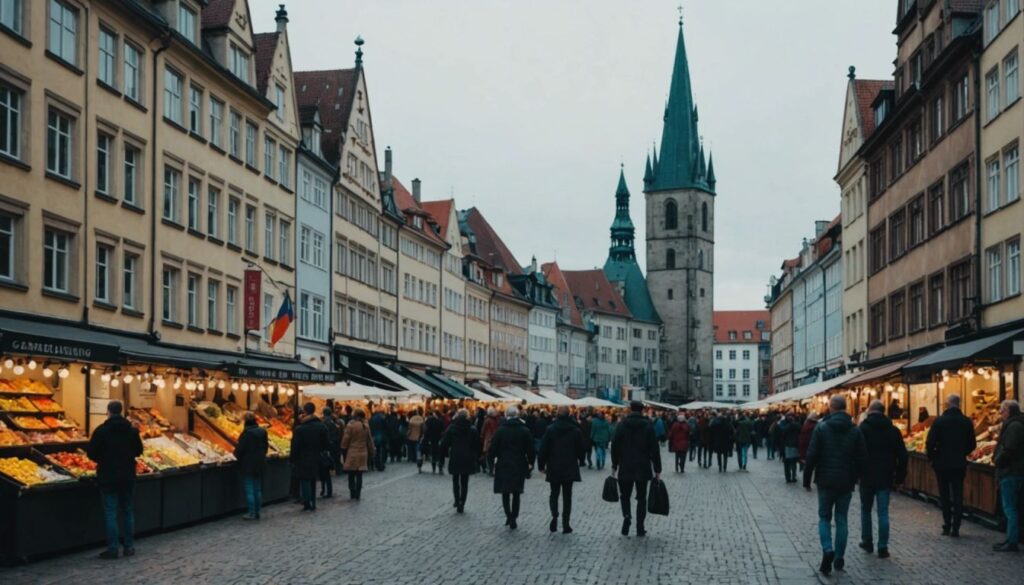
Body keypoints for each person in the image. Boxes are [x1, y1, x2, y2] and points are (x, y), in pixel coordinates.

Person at [803, 395, 867, 576]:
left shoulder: (821, 428)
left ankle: (827, 549)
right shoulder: (855, 430)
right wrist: (855, 476)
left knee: (824, 517)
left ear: (831, 408)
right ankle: (839, 557)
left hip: (825, 480)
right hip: (845, 481)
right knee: (841, 519)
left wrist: (807, 479)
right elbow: (863, 457)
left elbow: (812, 455)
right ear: (845, 408)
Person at [87, 400, 144, 559]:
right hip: (127, 476)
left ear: (108, 412)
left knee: (110, 512)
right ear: (122, 411)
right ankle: (129, 547)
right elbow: (139, 451)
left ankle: (113, 549)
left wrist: (104, 458)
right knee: (127, 511)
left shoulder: (101, 431)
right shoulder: (132, 431)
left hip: (108, 476)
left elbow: (91, 453)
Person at [857, 399, 908, 559]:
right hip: (886, 475)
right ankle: (883, 547)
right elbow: (903, 456)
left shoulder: (863, 429)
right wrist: (900, 477)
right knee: (883, 512)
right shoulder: (893, 430)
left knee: (866, 510)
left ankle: (867, 541)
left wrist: (856, 473)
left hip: (866, 475)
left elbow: (856, 453)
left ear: (870, 411)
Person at [925, 394, 976, 537]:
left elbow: (930, 442)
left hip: (941, 464)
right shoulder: (966, 422)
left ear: (947, 404)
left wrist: (933, 457)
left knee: (945, 495)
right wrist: (961, 453)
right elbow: (972, 444)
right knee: (958, 494)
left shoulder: (939, 421)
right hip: (959, 463)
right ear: (959, 404)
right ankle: (956, 527)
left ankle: (947, 525)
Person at [611, 400, 662, 537]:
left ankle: (627, 516)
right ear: (642, 410)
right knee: (641, 498)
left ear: (630, 409)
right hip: (643, 466)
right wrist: (657, 469)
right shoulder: (648, 426)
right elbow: (654, 449)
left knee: (625, 496)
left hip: (625, 466)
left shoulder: (622, 425)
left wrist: (614, 465)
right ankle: (640, 526)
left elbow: (615, 446)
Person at [538, 405, 585, 533]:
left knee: (554, 493)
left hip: (554, 466)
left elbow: (543, 449)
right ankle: (566, 523)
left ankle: (554, 515)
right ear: (569, 414)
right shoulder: (575, 430)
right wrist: (581, 460)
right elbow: (581, 448)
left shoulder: (550, 429)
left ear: (557, 414)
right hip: (569, 466)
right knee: (567, 496)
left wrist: (541, 465)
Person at [488, 405, 535, 529]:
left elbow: (492, 449)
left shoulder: (500, 430)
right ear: (517, 415)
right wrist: (531, 463)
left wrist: (490, 463)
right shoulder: (524, 430)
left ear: (506, 416)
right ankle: (514, 516)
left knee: (505, 492)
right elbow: (530, 450)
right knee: (516, 492)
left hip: (503, 464)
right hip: (519, 464)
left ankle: (509, 515)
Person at [993, 400, 1024, 552]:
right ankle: (1011, 537)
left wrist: (998, 460)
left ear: (1009, 411)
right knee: (1013, 507)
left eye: (1002, 410)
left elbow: (1009, 449)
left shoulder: (1014, 426)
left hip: (1011, 471)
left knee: (1010, 508)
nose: (1001, 413)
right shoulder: (1016, 424)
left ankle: (1012, 540)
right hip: (1014, 470)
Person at [440, 408, 481, 513]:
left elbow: (444, 443)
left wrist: (443, 454)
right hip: (467, 457)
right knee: (464, 482)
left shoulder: (452, 428)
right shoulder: (472, 429)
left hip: (455, 456)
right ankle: (462, 502)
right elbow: (477, 445)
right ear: (467, 417)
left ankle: (457, 500)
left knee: (455, 480)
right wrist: (476, 456)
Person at [291, 402, 328, 511]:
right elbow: (325, 443)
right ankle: (313, 501)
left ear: (305, 412)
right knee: (312, 479)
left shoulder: (300, 429)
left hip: (303, 458)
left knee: (305, 480)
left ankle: (307, 502)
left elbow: (295, 446)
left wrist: (292, 459)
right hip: (316, 456)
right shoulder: (321, 426)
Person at [235, 412, 269, 520]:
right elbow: (265, 447)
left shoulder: (246, 433)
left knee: (249, 489)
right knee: (258, 488)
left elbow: (240, 449)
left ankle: (251, 512)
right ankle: (258, 511)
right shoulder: (263, 431)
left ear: (245, 422)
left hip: (248, 464)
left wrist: (236, 454)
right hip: (259, 463)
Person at [341, 408, 374, 500]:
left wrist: (343, 447)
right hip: (363, 452)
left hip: (352, 452)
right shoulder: (366, 426)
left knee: (351, 474)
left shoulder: (351, 426)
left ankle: (352, 492)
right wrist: (372, 451)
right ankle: (358, 493)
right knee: (359, 474)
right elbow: (369, 440)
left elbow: (346, 439)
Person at [320, 407, 340, 498]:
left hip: (325, 449)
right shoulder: (334, 423)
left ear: (324, 413)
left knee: (324, 471)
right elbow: (336, 435)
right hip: (332, 447)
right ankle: (328, 490)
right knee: (327, 471)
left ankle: (325, 490)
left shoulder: (324, 423)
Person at [423, 410, 446, 474]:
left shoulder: (428, 421)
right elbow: (443, 432)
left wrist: (426, 438)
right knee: (439, 455)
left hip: (430, 440)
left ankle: (433, 469)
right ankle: (440, 469)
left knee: (433, 455)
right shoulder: (440, 421)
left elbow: (425, 430)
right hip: (438, 440)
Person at [781, 412, 801, 483]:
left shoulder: (785, 427)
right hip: (795, 446)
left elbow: (782, 436)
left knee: (787, 463)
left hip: (787, 446)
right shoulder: (798, 425)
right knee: (793, 463)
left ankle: (788, 477)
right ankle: (793, 477)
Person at [481, 407, 501, 475]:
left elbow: (483, 431)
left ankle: (491, 469)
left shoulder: (487, 420)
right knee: (495, 455)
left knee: (489, 456)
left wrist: (482, 438)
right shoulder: (497, 420)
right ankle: (494, 469)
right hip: (496, 438)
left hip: (488, 439)